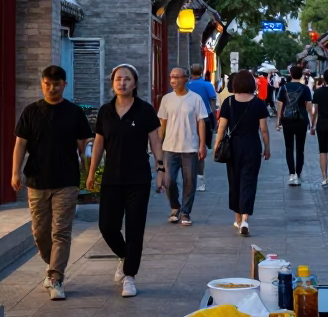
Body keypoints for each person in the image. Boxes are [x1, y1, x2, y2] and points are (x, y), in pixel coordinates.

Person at [12, 64, 92, 301]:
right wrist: (15, 172)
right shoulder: (31, 111)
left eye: (56, 84)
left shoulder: (74, 112)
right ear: (42, 84)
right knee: (40, 232)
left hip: (66, 180)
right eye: (47, 84)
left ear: (64, 85)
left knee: (62, 231)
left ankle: (56, 276)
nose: (51, 88)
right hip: (37, 180)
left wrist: (88, 172)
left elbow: (84, 145)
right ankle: (53, 264)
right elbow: (20, 144)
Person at [87, 64, 163, 297]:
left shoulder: (145, 110)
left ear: (135, 83)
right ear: (113, 83)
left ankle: (129, 275)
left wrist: (161, 169)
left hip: (138, 178)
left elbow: (155, 142)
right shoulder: (105, 111)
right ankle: (124, 255)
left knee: (135, 228)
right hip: (111, 178)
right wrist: (91, 172)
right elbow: (98, 143)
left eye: (127, 79)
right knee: (107, 226)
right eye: (118, 79)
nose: (122, 83)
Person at [214, 70, 270, 236]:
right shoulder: (259, 103)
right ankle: (245, 218)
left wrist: (217, 145)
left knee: (234, 180)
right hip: (252, 145)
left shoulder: (229, 102)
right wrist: (267, 148)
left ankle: (238, 218)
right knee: (249, 181)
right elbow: (264, 130)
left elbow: (222, 127)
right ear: (252, 84)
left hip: (233, 146)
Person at [158, 67, 207, 226]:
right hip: (170, 147)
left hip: (190, 148)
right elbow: (162, 124)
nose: (173, 80)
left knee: (190, 181)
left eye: (177, 77)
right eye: (171, 77)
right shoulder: (166, 99)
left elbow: (201, 122)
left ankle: (185, 212)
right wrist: (158, 145)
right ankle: (175, 206)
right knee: (169, 180)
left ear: (186, 79)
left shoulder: (196, 99)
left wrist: (202, 145)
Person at [276, 63, 312, 186]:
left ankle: (292, 175)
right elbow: (309, 106)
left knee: (289, 148)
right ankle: (298, 173)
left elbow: (280, 105)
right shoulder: (305, 88)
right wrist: (311, 121)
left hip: (287, 119)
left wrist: (278, 121)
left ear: (290, 74)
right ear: (301, 75)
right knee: (300, 149)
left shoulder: (284, 88)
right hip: (301, 119)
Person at [187, 65, 217, 192]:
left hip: (187, 119)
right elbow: (212, 102)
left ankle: (189, 178)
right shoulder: (207, 85)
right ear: (201, 72)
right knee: (201, 148)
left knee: (187, 149)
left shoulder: (186, 85)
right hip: (204, 119)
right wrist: (214, 118)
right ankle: (200, 181)